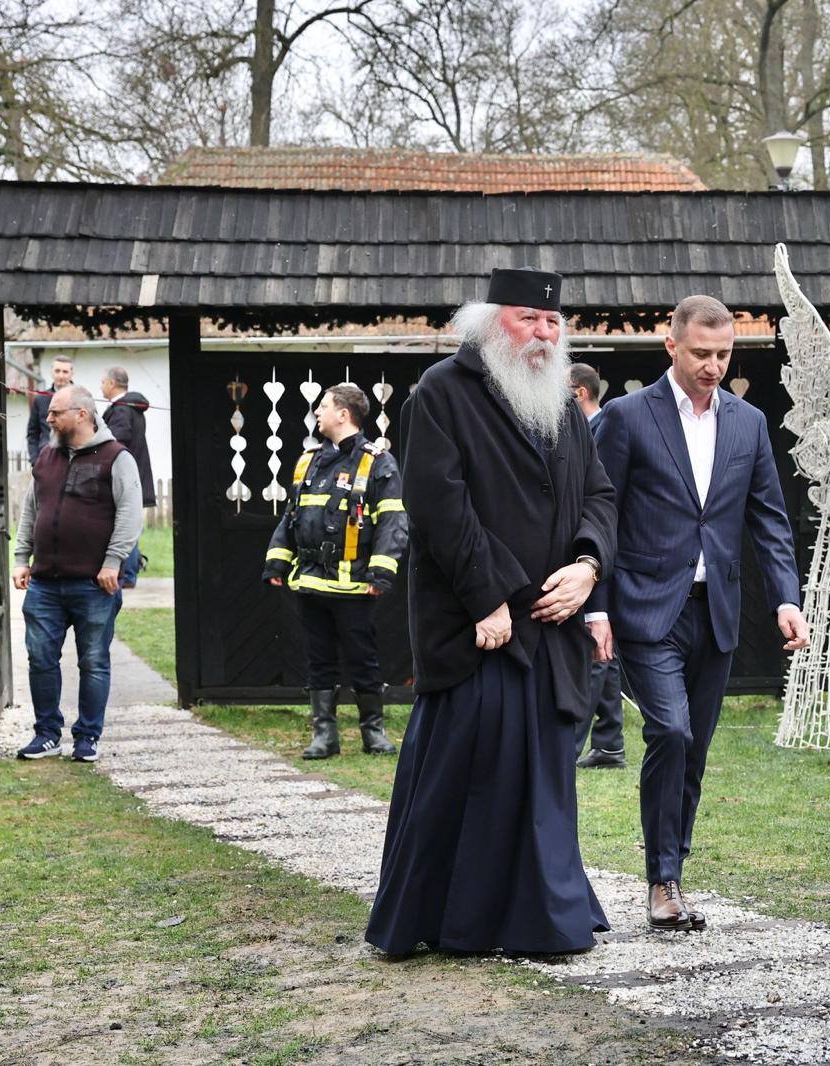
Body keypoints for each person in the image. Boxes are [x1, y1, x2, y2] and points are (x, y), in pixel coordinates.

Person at [365, 267, 618, 956]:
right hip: (479, 628)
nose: (543, 332)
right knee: (470, 776)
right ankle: (456, 919)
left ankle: (544, 913)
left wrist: (587, 567)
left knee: (543, 777)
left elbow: (599, 495)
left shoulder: (561, 404)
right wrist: (490, 597)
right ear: (489, 323)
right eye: (528, 318)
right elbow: (439, 506)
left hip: (553, 625)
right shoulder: (441, 392)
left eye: (552, 321)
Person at [586, 295, 808, 931]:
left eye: (724, 354)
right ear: (672, 347)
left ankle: (673, 870)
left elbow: (769, 518)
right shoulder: (627, 417)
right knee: (671, 733)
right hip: (645, 609)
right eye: (701, 354)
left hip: (717, 612)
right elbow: (597, 514)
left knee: (695, 749)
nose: (713, 366)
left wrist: (787, 598)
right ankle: (661, 881)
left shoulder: (749, 423)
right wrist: (596, 608)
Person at [262, 384, 408, 759]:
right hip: (311, 582)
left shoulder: (377, 462)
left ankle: (373, 733)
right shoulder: (308, 461)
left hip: (355, 586)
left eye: (324, 406)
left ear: (343, 414)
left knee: (363, 659)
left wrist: (380, 573)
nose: (317, 412)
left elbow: (393, 521)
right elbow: (291, 517)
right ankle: (324, 737)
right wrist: (277, 561)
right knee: (319, 660)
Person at [11, 385, 143, 762]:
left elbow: (130, 514)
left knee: (93, 661)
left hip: (93, 584)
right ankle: (47, 734)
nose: (48, 418)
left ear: (82, 414)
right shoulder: (47, 456)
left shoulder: (116, 457)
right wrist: (21, 557)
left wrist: (113, 562)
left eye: (56, 412)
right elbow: (31, 510)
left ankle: (87, 737)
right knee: (40, 658)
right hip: (44, 584)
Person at [568, 362, 627, 770]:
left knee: (594, 646)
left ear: (579, 393)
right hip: (593, 553)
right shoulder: (586, 430)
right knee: (604, 648)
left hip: (603, 553)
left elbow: (603, 499)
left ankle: (568, 745)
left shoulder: (604, 430)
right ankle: (609, 743)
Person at [99, 366, 157, 589]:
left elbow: (116, 441)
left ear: (112, 383)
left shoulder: (122, 410)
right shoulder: (131, 407)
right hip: (135, 476)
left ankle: (127, 575)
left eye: (103, 382)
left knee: (125, 526)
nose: (101, 386)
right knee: (128, 524)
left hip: (125, 478)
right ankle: (128, 573)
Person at [25, 354, 73, 457]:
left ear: (71, 374)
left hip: (73, 457)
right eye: (57, 371)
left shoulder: (82, 398)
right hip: (46, 457)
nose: (61, 376)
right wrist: (35, 460)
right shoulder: (40, 399)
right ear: (52, 372)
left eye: (65, 372)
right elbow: (32, 433)